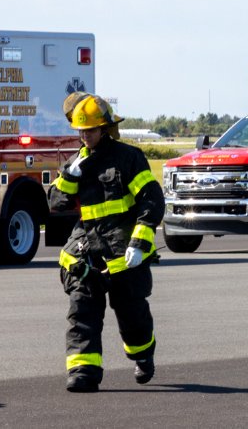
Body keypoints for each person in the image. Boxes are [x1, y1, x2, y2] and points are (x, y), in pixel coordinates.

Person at [47, 92, 165, 393]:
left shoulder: (129, 158)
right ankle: (83, 372)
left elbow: (151, 200)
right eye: (81, 131)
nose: (85, 136)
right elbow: (57, 203)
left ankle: (143, 356)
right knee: (81, 310)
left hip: (124, 252)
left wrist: (139, 243)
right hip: (88, 250)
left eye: (91, 130)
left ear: (105, 128)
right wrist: (67, 176)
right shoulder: (77, 162)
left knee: (132, 314)